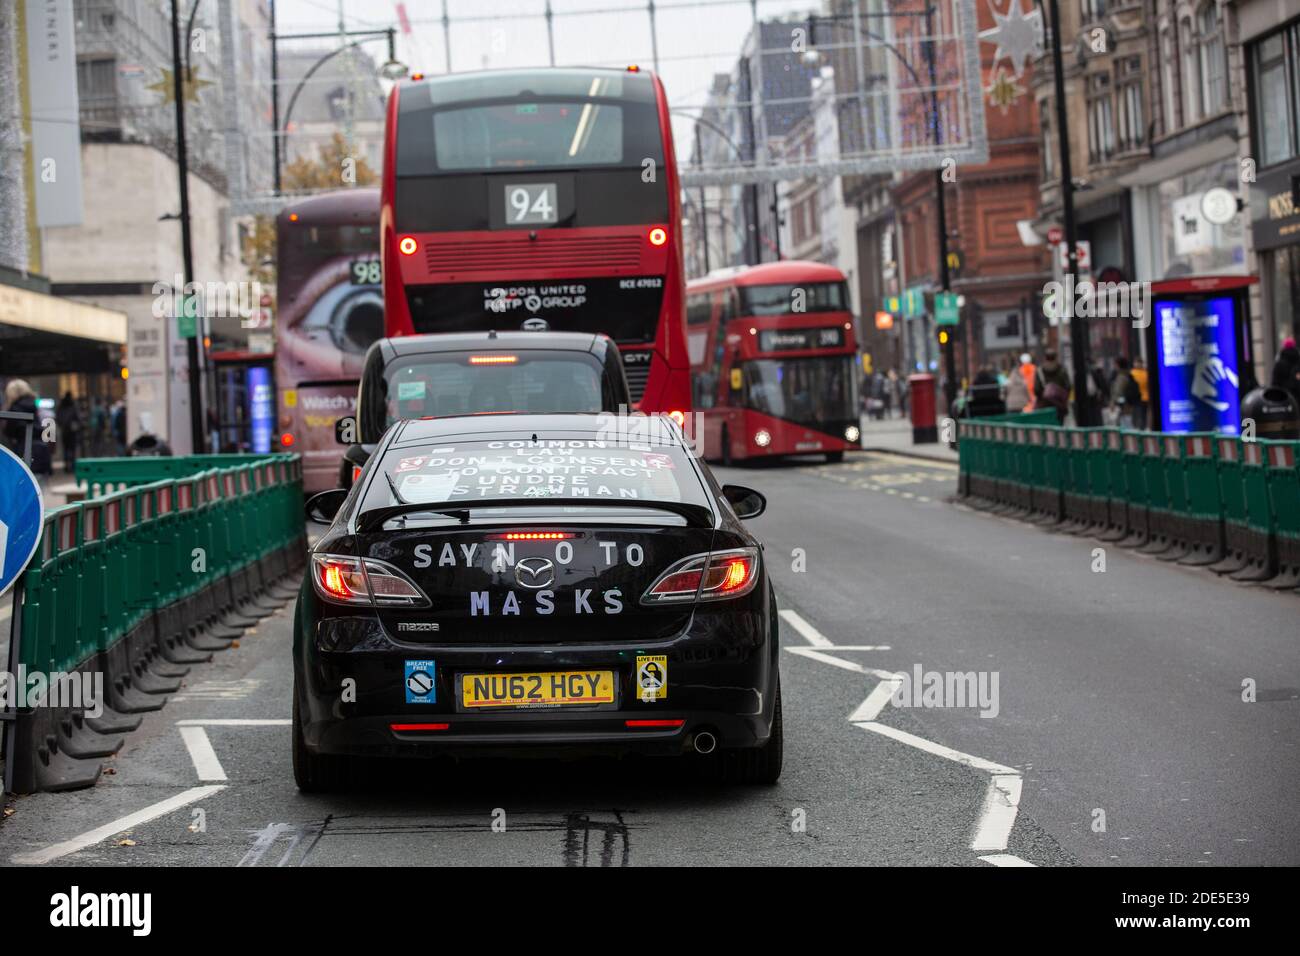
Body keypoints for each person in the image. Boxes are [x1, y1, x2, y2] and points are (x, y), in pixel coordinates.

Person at [3, 379, 53, 488]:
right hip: (41, 451)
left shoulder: (14, 409)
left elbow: (8, 431)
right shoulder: (34, 406)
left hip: (23, 451)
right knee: (39, 492)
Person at [1034, 348, 1072, 424]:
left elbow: (1036, 389)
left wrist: (1043, 395)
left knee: (1048, 428)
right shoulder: (1062, 369)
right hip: (1059, 405)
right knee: (1059, 426)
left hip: (1044, 406)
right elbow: (1068, 386)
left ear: (1045, 357)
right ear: (1055, 357)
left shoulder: (1040, 370)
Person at [1111, 356, 1142, 429]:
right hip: (1129, 403)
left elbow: (1118, 392)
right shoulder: (1129, 374)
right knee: (1128, 421)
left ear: (1118, 365)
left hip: (1123, 404)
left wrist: (1114, 402)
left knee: (1125, 422)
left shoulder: (1121, 377)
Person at [56, 391, 81, 472]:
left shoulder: (61, 406)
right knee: (72, 449)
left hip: (64, 431)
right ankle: (72, 466)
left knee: (66, 449)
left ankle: (67, 466)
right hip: (72, 431)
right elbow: (77, 418)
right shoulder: (73, 406)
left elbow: (58, 418)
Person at [1271, 337, 1300, 406]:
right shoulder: (1298, 361)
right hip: (1297, 397)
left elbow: (1275, 383)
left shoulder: (1279, 363)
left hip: (1284, 398)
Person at [1129, 357, 1150, 430]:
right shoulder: (1132, 373)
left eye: (1139, 362)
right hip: (1137, 397)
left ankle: (1142, 428)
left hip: (1145, 396)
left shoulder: (1145, 373)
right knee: (1138, 413)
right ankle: (1138, 427)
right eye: (1136, 362)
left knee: (1143, 413)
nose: (1137, 364)